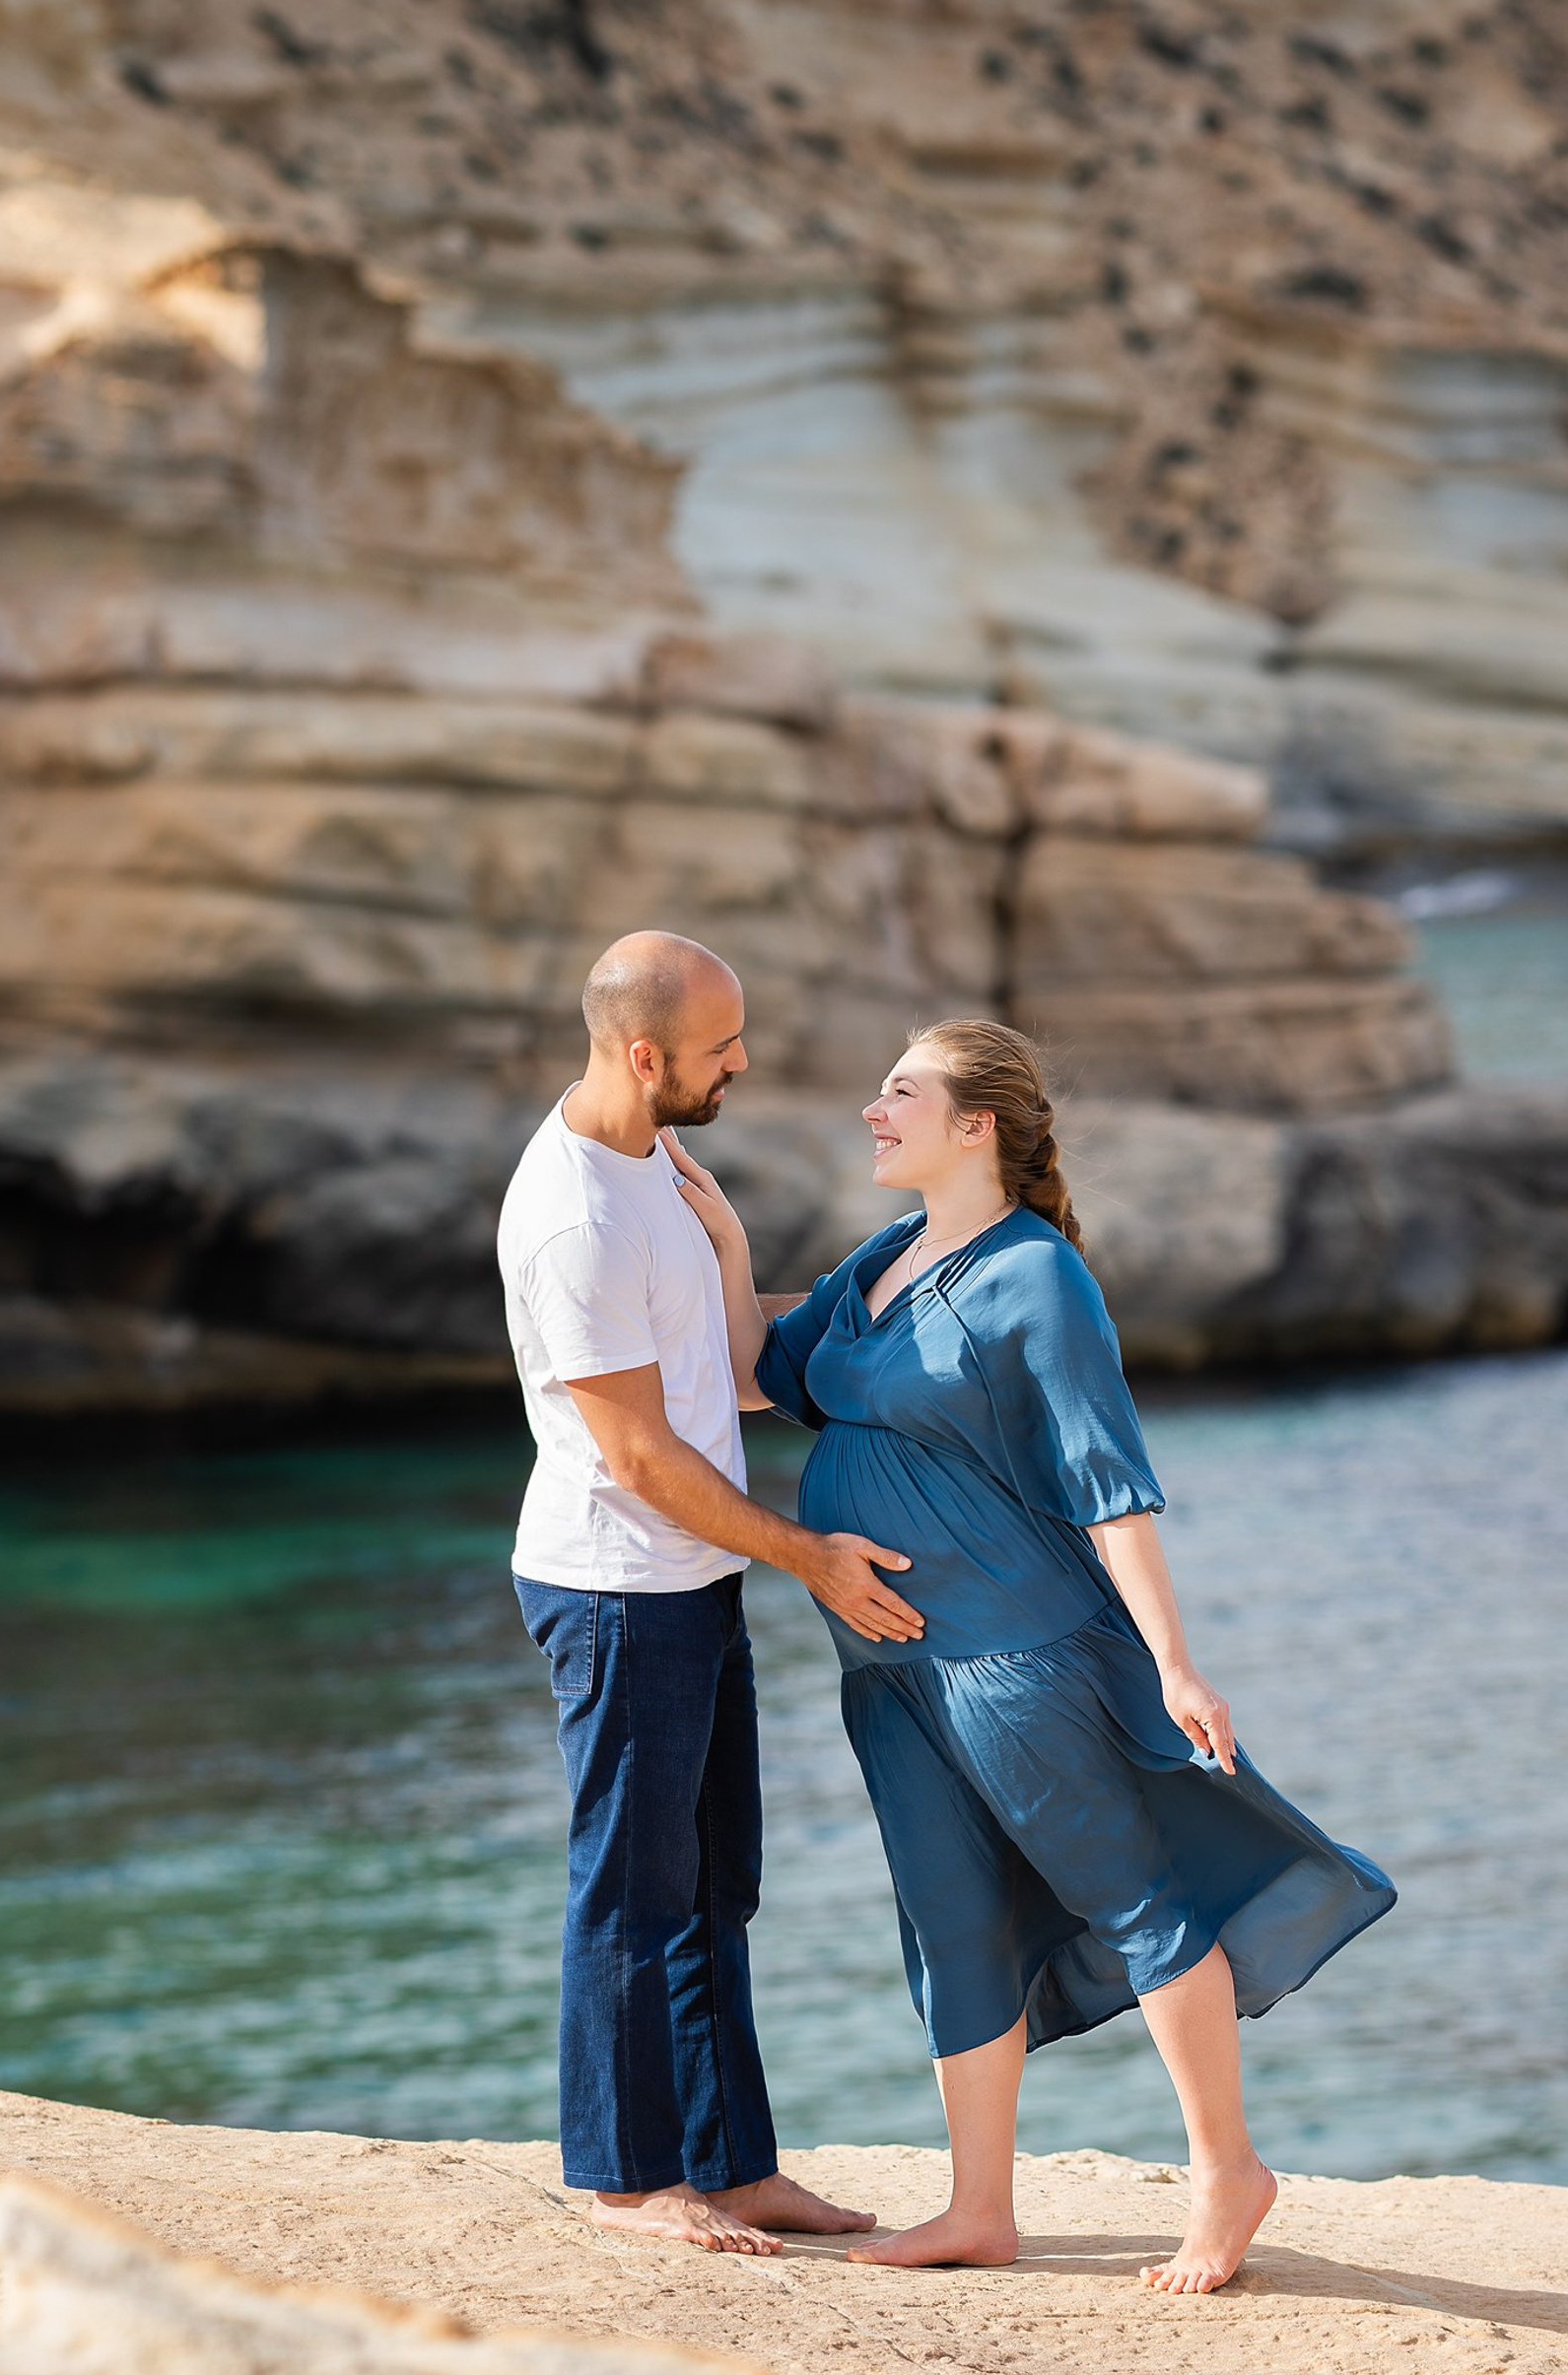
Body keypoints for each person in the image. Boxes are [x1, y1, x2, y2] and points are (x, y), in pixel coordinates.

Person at [667, 1017, 1396, 2295]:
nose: (872, 1111)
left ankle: (1229, 2174)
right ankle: (978, 2207)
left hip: (1017, 1649)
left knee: (1137, 1898)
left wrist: (1176, 1664)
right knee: (951, 1920)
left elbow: (1110, 1480)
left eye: (900, 1093)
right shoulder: (887, 1257)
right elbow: (752, 1376)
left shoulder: (1036, 1276)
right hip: (887, 1668)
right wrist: (726, 1241)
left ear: (975, 1126)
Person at [497, 930, 913, 2255]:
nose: (740, 1064)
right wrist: (809, 1556)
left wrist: (750, 1253)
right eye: (721, 1047)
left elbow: (726, 1372)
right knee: (629, 1886)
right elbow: (635, 1453)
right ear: (643, 1052)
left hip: (689, 1578)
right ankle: (627, 2179)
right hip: (618, 1593)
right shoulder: (576, 1214)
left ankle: (732, 2165)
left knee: (714, 1881)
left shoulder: (657, 1171)